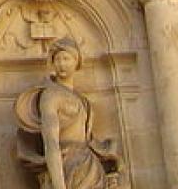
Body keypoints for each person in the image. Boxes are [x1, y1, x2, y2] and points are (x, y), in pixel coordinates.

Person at [14, 38, 121, 189]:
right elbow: (51, 142)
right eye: (57, 59)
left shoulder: (83, 100)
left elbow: (88, 138)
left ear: (76, 61)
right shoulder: (51, 95)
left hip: (89, 165)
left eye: (66, 58)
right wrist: (58, 184)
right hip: (66, 165)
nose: (61, 64)